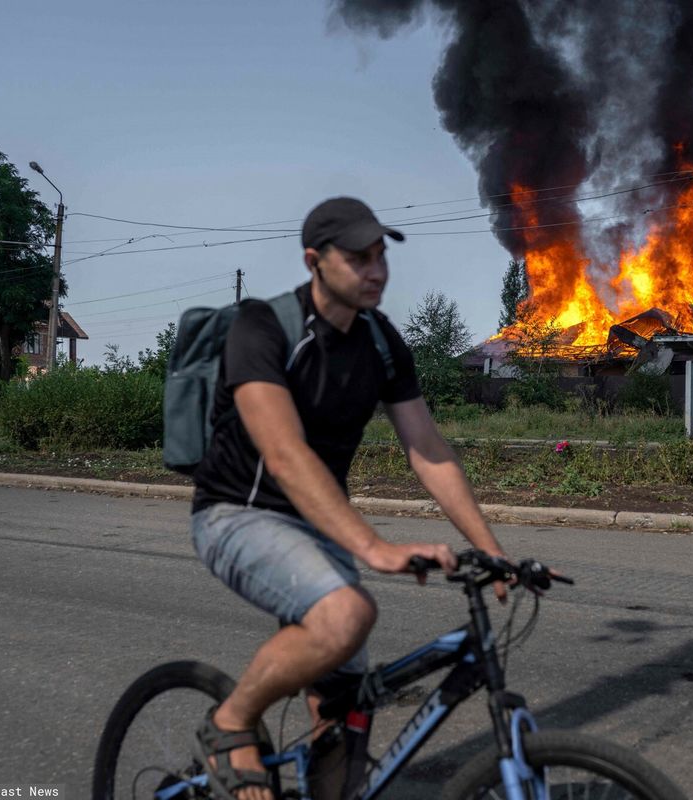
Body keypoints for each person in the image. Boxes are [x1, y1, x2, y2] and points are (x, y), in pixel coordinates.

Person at [188, 196, 508, 800]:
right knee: (348, 615)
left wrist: (494, 552)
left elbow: (427, 448)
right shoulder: (262, 327)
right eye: (359, 257)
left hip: (313, 526)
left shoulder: (381, 342)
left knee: (344, 713)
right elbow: (284, 454)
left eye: (381, 255)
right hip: (237, 514)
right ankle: (230, 723)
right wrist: (374, 547)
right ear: (315, 261)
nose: (377, 270)